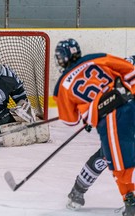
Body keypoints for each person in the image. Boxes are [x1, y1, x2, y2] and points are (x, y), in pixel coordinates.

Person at [53, 38, 135, 216]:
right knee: (109, 155)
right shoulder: (98, 59)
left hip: (115, 116)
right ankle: (79, 192)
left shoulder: (64, 84)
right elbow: (128, 73)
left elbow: (70, 120)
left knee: (110, 157)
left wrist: (89, 115)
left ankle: (80, 191)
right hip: (125, 109)